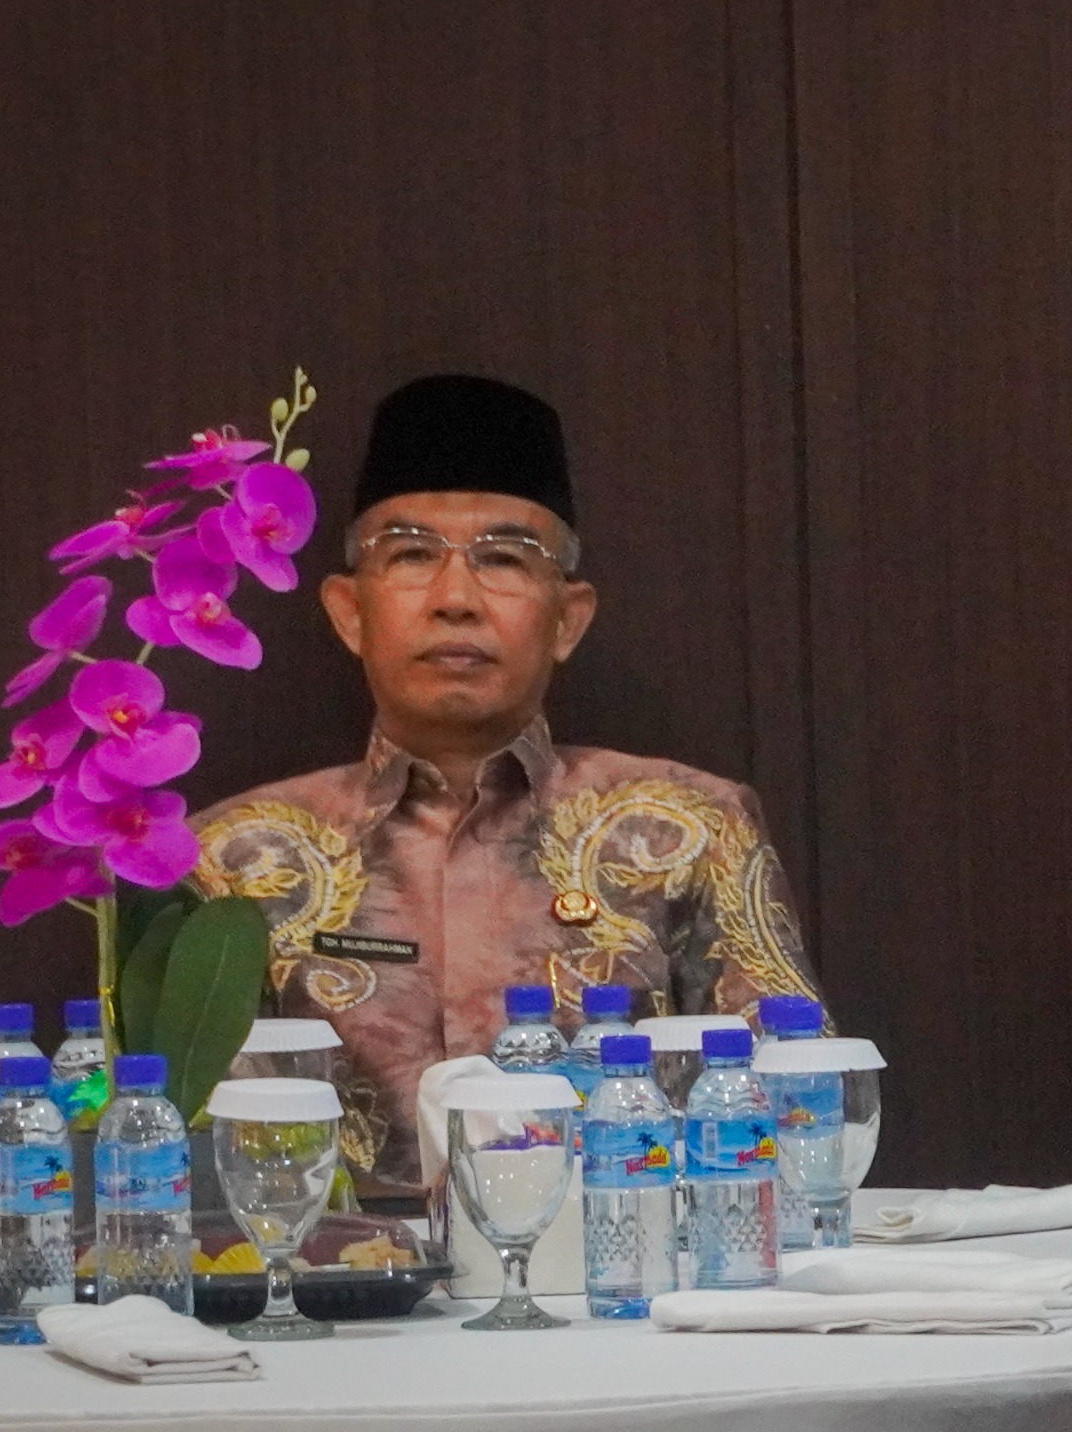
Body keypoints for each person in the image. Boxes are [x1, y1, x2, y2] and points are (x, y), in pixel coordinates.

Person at [191, 374, 824, 1201]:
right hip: (342, 1275)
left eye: (503, 559)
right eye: (411, 555)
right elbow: (186, 1145)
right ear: (349, 612)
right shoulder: (233, 857)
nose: (456, 599)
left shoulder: (690, 827)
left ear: (567, 618)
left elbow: (798, 1116)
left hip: (620, 1264)